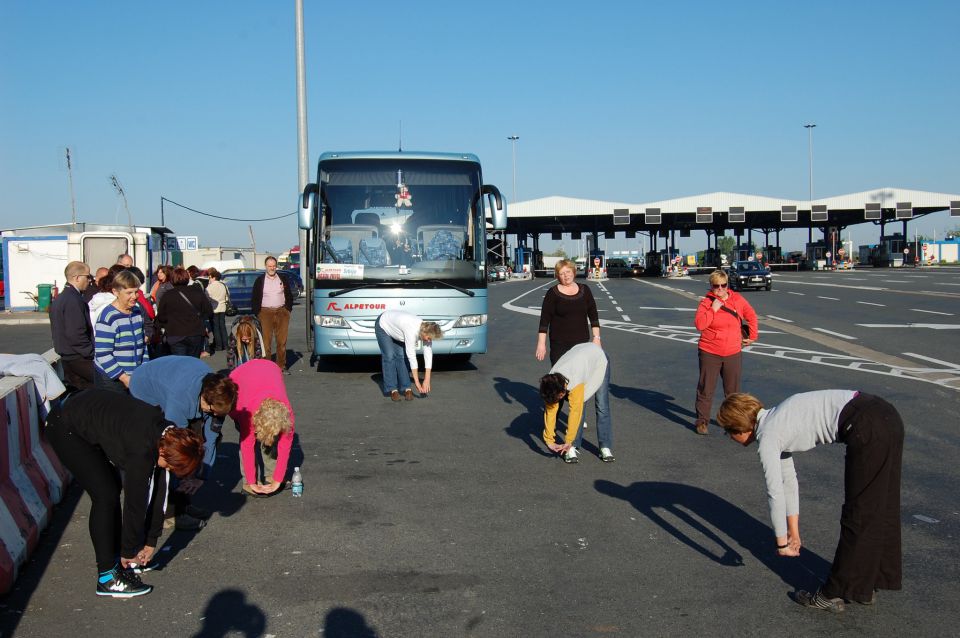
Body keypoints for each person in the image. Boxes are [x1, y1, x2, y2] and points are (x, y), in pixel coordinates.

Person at [717, 391, 903, 612]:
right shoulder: (777, 418)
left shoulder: (768, 437)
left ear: (739, 427)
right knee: (881, 506)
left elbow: (775, 492)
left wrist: (781, 543)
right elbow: (789, 483)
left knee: (859, 513)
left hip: (865, 425)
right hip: (886, 415)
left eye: (727, 431)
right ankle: (865, 585)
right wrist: (793, 533)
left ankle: (832, 594)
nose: (729, 437)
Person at [45, 389, 204, 597]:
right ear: (164, 452)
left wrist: (149, 541)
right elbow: (135, 503)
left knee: (111, 488)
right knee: (105, 495)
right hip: (65, 426)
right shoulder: (141, 451)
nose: (168, 471)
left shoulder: (167, 433)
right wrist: (130, 550)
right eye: (169, 466)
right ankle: (107, 577)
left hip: (90, 414)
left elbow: (159, 491)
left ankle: (119, 560)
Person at [129, 356, 238, 529]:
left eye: (219, 414)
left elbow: (211, 439)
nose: (216, 417)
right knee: (176, 453)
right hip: (145, 388)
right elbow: (175, 449)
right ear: (204, 399)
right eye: (213, 412)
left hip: (177, 379)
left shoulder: (218, 397)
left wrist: (200, 476)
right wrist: (187, 472)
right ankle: (170, 513)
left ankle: (184, 503)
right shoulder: (180, 401)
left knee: (198, 441)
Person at [692, 269, 758, 435]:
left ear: (727, 285)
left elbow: (751, 315)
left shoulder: (737, 299)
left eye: (723, 285)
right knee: (706, 388)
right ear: (711, 286)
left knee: (733, 391)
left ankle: (734, 422)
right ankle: (702, 422)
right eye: (716, 286)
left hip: (733, 351)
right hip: (710, 351)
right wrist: (713, 309)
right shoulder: (706, 303)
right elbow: (700, 325)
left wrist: (753, 335)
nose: (720, 289)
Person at [538, 342, 614, 463]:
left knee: (601, 405)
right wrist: (549, 440)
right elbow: (551, 410)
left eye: (559, 398)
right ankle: (574, 445)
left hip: (599, 359)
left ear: (562, 392)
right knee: (578, 403)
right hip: (581, 358)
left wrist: (568, 440)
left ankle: (604, 446)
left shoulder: (575, 381)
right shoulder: (550, 381)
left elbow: (575, 411)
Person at [229, 359, 295, 496]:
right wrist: (252, 482)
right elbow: (246, 446)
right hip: (239, 379)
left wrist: (278, 479)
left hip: (270, 368)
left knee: (271, 439)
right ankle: (248, 481)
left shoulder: (286, 413)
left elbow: (285, 445)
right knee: (247, 440)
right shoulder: (246, 412)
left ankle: (272, 474)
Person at [536, 259, 600, 365]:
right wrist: (541, 344)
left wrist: (596, 338)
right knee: (560, 377)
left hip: (581, 343)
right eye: (562, 273)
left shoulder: (585, 290)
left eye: (568, 272)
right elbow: (544, 321)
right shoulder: (552, 293)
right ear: (558, 276)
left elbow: (593, 316)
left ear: (573, 272)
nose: (566, 276)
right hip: (559, 344)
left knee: (580, 377)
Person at [94, 269, 148, 392]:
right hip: (112, 379)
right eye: (129, 293)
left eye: (136, 292)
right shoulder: (108, 317)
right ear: (115, 292)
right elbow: (103, 353)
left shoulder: (136, 312)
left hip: (133, 376)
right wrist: (123, 378)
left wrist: (144, 369)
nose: (134, 297)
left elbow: (142, 344)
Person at [374, 309, 443, 400]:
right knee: (389, 356)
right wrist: (417, 382)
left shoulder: (427, 331)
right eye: (429, 338)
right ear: (424, 332)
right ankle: (393, 389)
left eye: (431, 339)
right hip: (383, 324)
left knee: (401, 356)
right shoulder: (411, 330)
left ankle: (406, 387)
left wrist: (427, 379)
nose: (429, 341)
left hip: (397, 330)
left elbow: (428, 355)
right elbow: (412, 357)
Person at [49, 261, 95, 389]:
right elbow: (76, 333)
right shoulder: (73, 300)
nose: (90, 280)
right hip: (79, 358)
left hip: (69, 356)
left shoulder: (62, 297)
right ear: (77, 278)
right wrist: (90, 353)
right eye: (88, 276)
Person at [156, 266, 213, 358]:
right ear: (187, 278)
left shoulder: (168, 295)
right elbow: (209, 311)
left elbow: (161, 316)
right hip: (195, 333)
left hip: (175, 334)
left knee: (180, 363)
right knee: (193, 362)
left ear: (172, 279)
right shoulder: (197, 292)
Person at [252, 256, 294, 372]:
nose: (272, 268)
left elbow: (289, 294)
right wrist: (258, 313)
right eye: (269, 266)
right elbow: (255, 297)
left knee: (282, 341)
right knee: (266, 343)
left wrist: (287, 309)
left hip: (282, 312)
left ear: (276, 266)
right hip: (265, 313)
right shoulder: (260, 280)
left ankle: (281, 366)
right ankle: (268, 368)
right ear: (265, 266)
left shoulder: (282, 278)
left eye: (274, 266)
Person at [204, 268, 229, 353]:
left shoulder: (210, 287)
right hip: (223, 308)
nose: (209, 279)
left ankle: (219, 346)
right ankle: (226, 344)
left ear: (213, 277)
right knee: (222, 326)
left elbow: (207, 298)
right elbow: (227, 295)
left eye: (210, 277)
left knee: (216, 328)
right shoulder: (223, 285)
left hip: (214, 309)